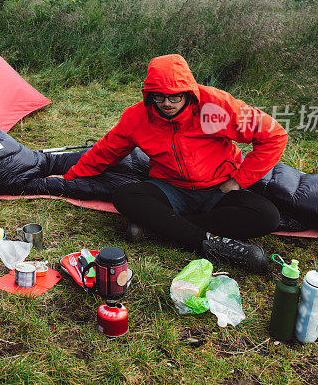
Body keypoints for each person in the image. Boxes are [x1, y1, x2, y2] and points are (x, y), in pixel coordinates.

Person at [63, 54, 287, 272]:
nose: (166, 103)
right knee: (124, 196)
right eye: (159, 96)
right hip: (170, 189)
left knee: (267, 216)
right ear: (149, 94)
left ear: (188, 92)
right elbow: (106, 151)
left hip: (219, 188)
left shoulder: (215, 106)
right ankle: (205, 241)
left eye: (174, 97)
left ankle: (160, 228)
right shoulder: (137, 117)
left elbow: (274, 135)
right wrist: (69, 177)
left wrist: (238, 181)